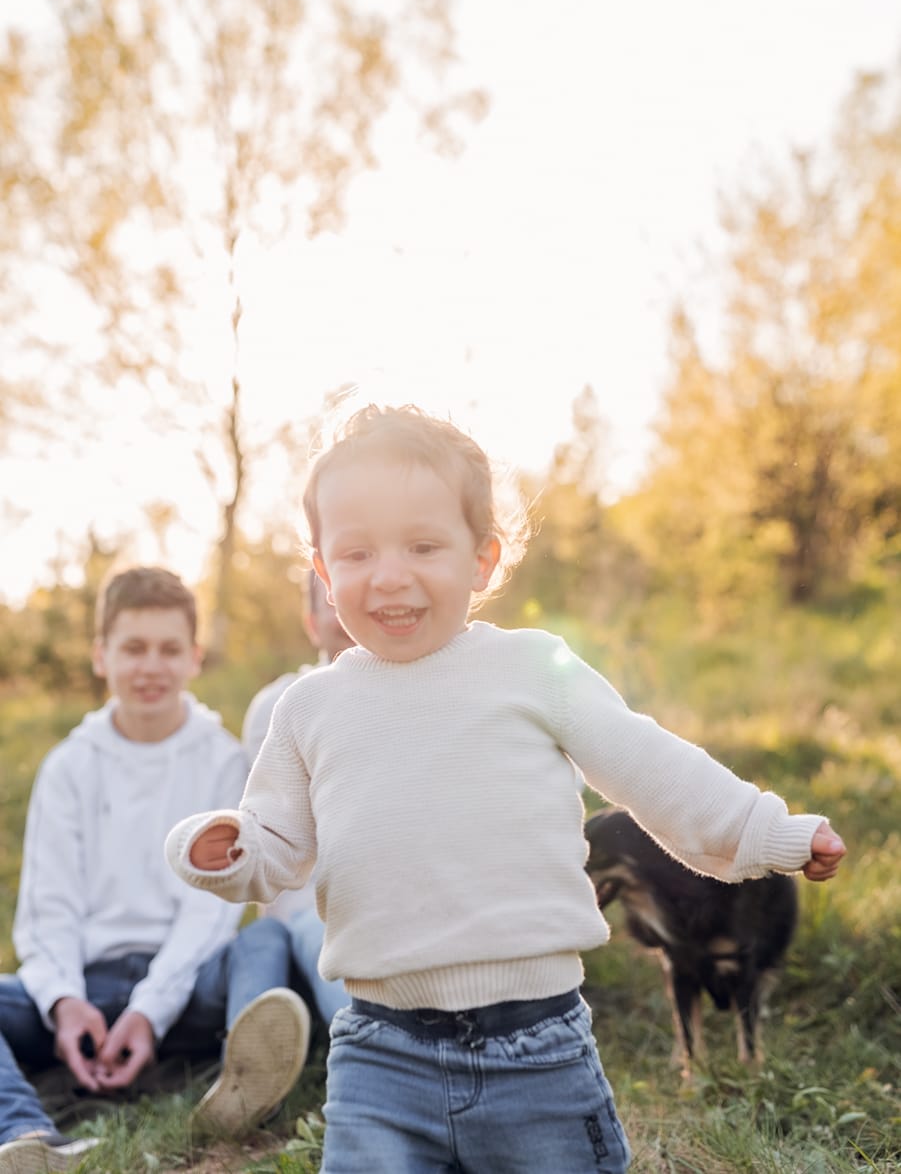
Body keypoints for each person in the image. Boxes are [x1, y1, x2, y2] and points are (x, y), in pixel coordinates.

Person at [166, 405, 847, 1174]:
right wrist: (228, 847)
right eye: (356, 553)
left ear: (482, 559)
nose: (388, 575)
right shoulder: (309, 708)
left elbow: (653, 768)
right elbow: (276, 842)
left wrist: (766, 831)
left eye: (423, 546)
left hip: (538, 1050)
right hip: (380, 1054)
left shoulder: (532, 670)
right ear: (324, 572)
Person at [0, 566, 311, 1172]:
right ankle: (27, 1134)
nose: (151, 666)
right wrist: (64, 1003)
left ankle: (239, 1090)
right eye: (134, 648)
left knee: (265, 940)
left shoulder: (222, 760)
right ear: (101, 655)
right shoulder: (69, 767)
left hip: (188, 986)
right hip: (88, 989)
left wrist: (149, 1011)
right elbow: (47, 908)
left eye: (169, 650)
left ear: (194, 657)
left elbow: (209, 913)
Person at [242, 569, 352, 1029]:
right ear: (311, 622)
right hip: (311, 904)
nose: (349, 610)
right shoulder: (278, 707)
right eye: (333, 600)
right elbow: (272, 835)